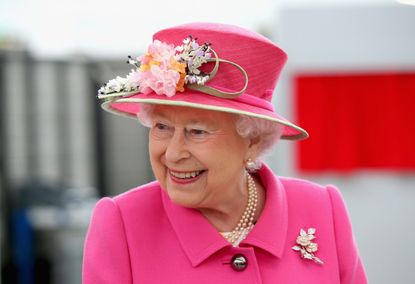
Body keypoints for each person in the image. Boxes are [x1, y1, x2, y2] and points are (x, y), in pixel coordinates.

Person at [82, 22, 367, 283]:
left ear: (253, 140)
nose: (173, 154)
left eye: (197, 131)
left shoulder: (321, 208)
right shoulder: (122, 223)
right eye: (162, 127)